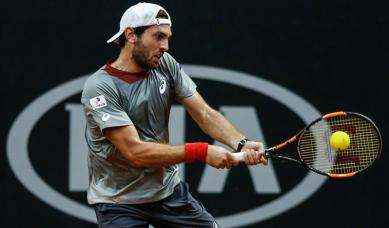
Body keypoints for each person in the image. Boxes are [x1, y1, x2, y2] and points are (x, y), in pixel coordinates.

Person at [81, 2, 268, 228]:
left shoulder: (164, 65)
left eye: (167, 37)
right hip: (118, 201)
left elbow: (205, 114)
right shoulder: (100, 87)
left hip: (167, 191)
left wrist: (241, 143)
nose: (165, 46)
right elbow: (135, 152)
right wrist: (202, 151)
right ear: (131, 35)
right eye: (158, 36)